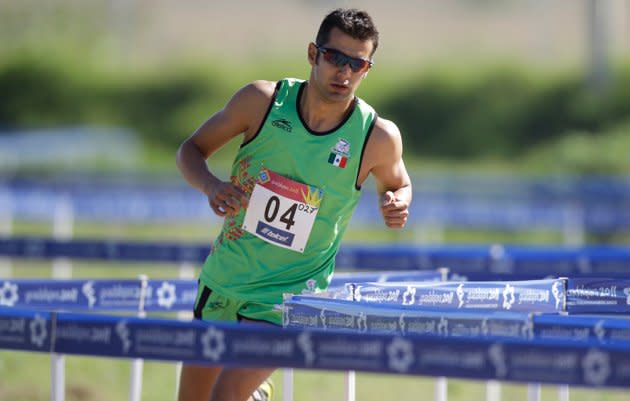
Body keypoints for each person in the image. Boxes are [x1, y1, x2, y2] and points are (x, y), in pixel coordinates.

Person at [175, 8, 412, 401]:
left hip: (289, 298)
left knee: (224, 398)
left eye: (357, 63)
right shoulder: (261, 102)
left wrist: (397, 202)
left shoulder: (376, 136)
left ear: (368, 69)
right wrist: (210, 186)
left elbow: (399, 182)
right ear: (312, 53)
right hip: (224, 279)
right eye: (335, 57)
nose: (344, 72)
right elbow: (191, 150)